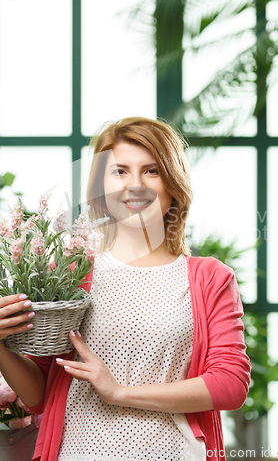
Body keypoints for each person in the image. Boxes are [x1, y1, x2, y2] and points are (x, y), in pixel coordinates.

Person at [0, 117, 251, 461]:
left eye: (151, 171)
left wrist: (120, 393)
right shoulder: (73, 273)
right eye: (120, 172)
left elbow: (230, 384)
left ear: (173, 184)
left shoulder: (210, 278)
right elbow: (40, 393)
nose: (135, 185)